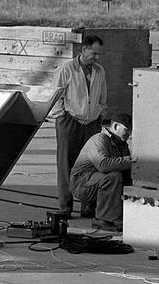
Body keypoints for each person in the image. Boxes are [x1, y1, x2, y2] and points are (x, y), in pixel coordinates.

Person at [46, 34, 108, 218]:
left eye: (99, 54)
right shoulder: (66, 69)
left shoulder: (99, 71)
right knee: (66, 164)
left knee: (89, 165)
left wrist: (99, 115)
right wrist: (62, 117)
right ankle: (65, 206)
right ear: (84, 50)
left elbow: (103, 97)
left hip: (91, 124)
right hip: (70, 122)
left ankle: (88, 206)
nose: (96, 58)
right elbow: (56, 96)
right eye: (94, 53)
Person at [69, 117, 134, 232]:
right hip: (81, 184)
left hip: (93, 180)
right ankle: (103, 219)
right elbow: (103, 165)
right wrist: (130, 160)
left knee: (124, 176)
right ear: (115, 126)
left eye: (130, 131)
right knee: (114, 177)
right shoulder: (99, 139)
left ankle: (96, 208)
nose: (129, 134)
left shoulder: (122, 145)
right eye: (126, 129)